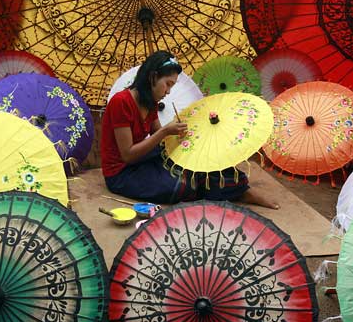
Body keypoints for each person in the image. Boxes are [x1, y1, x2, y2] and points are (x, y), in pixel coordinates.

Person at [100, 50, 279, 209]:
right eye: (168, 84)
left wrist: (187, 135)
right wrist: (165, 132)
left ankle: (242, 190)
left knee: (200, 157)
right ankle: (229, 192)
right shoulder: (121, 102)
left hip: (144, 158)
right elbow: (128, 154)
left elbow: (160, 139)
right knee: (180, 184)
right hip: (123, 172)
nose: (168, 91)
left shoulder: (151, 100)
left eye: (172, 86)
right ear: (153, 77)